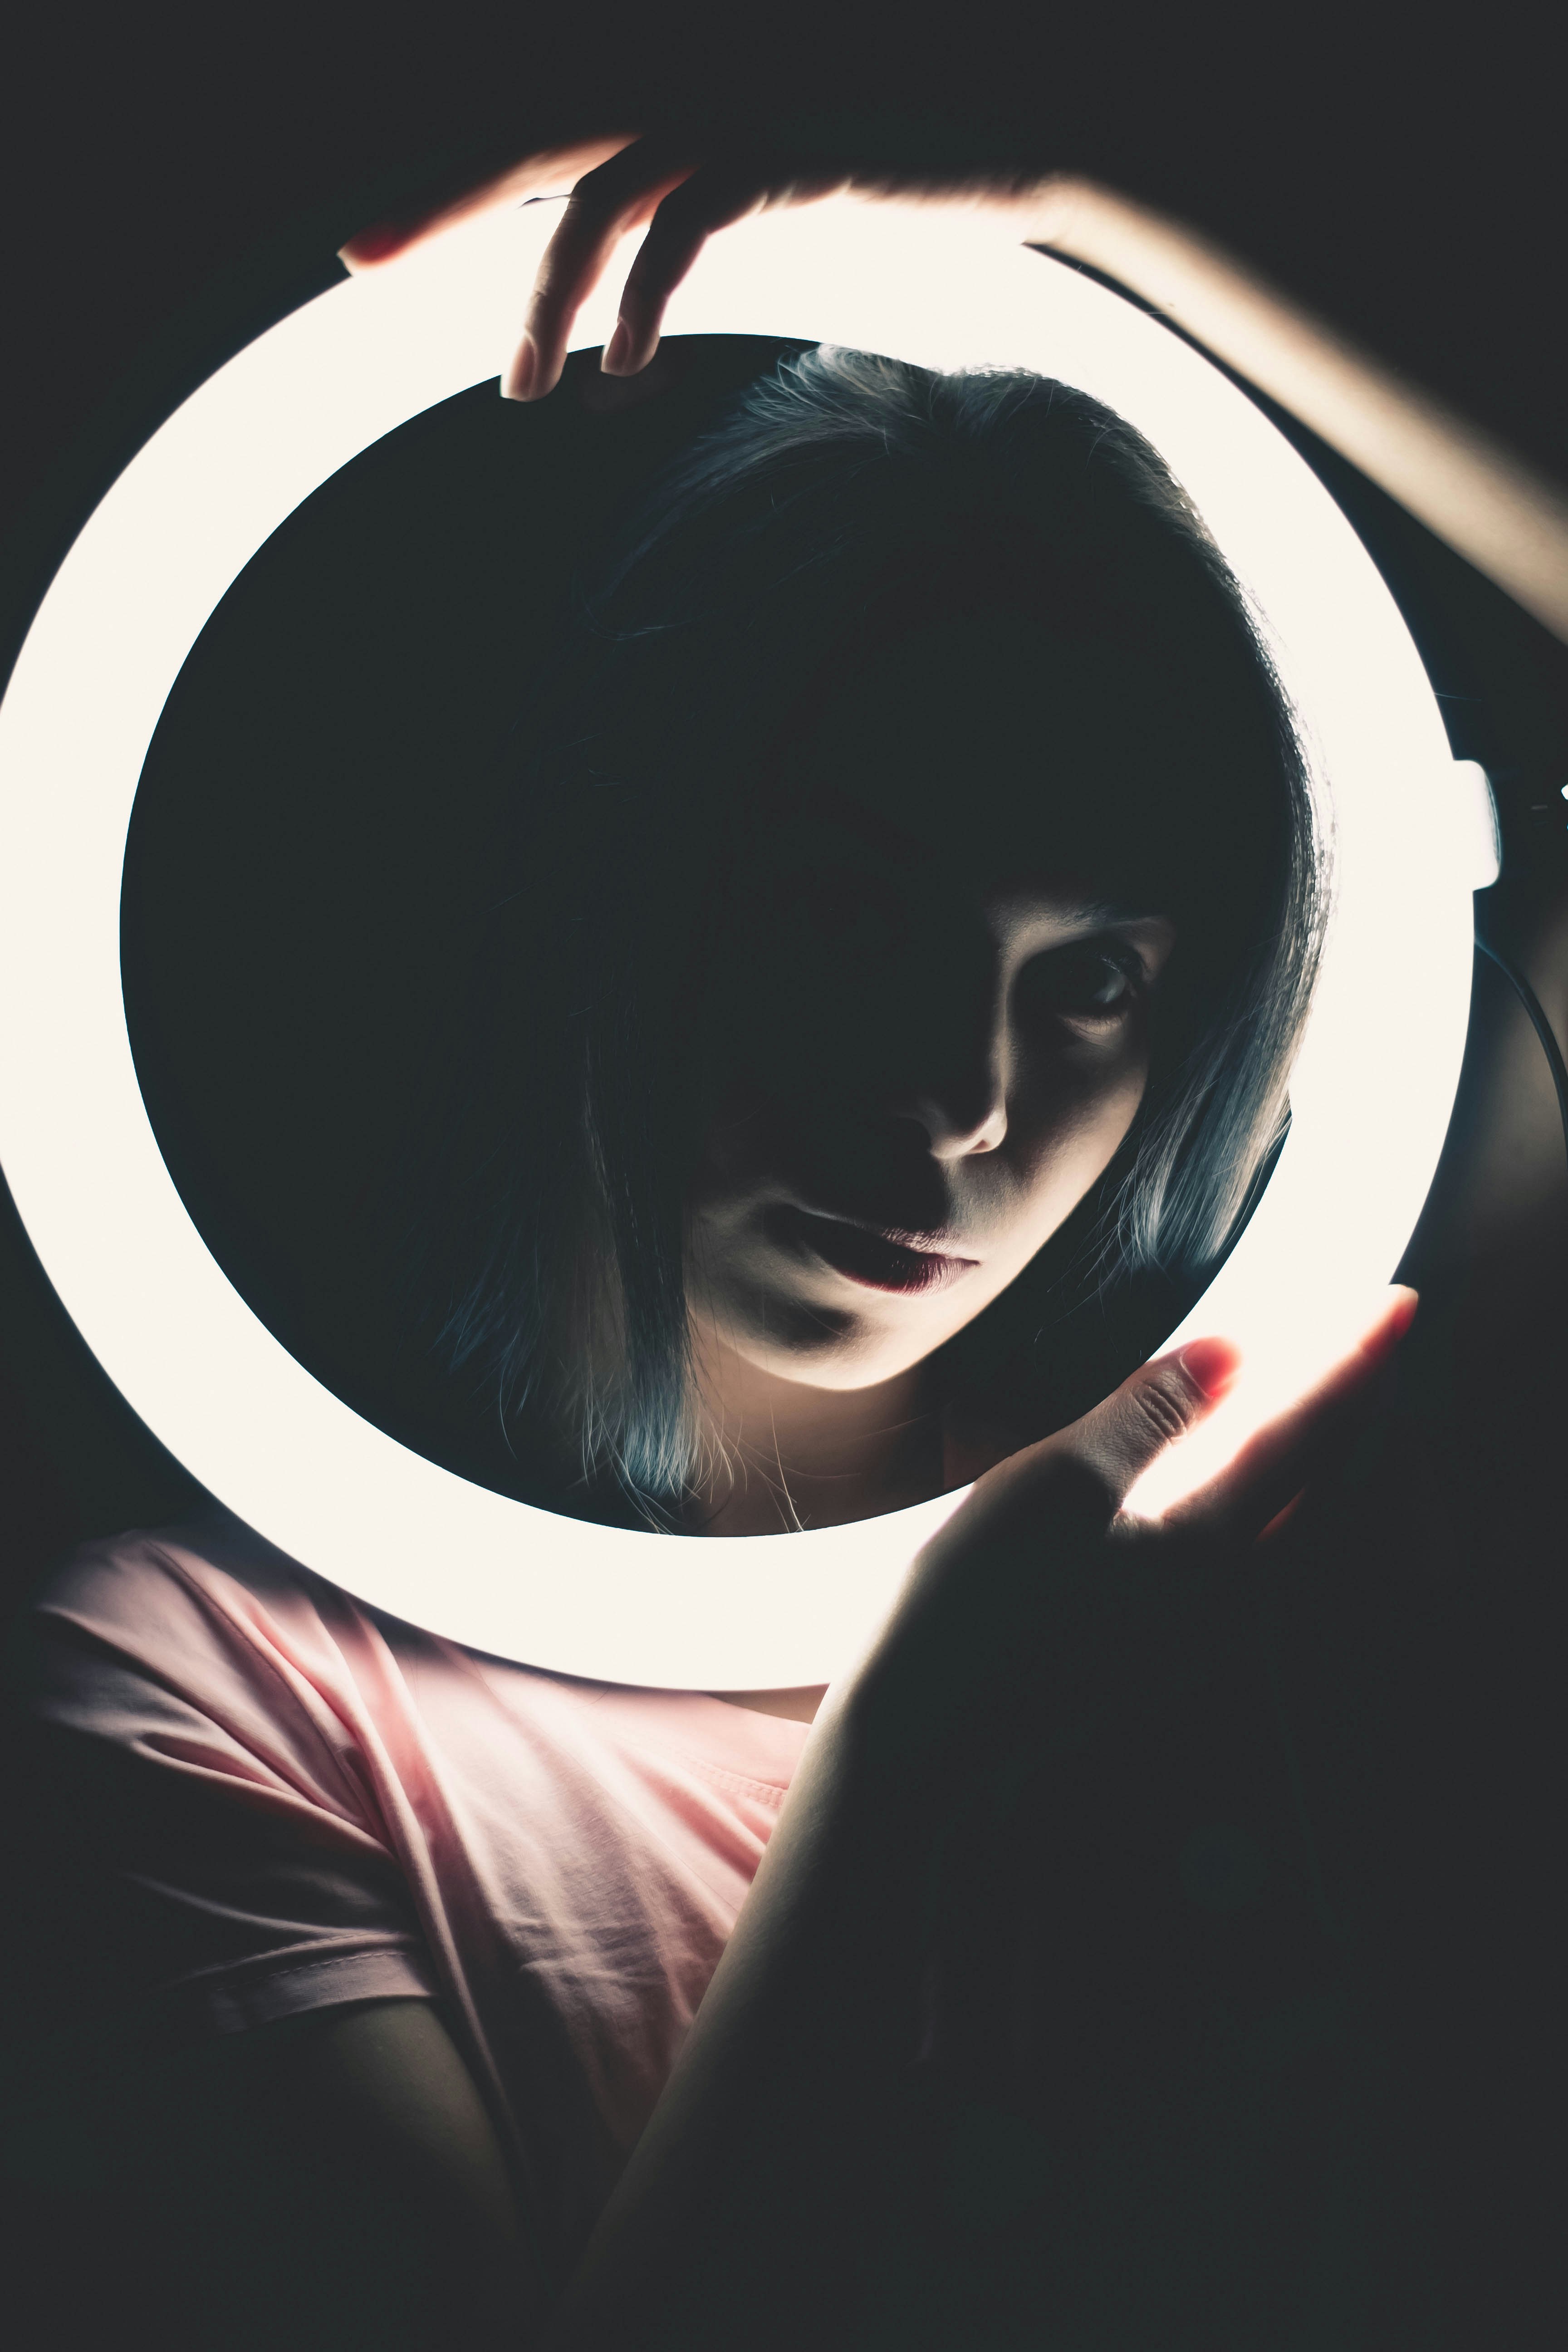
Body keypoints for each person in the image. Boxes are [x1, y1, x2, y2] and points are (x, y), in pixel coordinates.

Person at [2, 178, 1420, 2352]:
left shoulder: (1261, 1512)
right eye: (856, 918)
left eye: (1101, 980)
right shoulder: (212, 1700)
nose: (961, 1103)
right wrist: (913, 1755)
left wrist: (1080, 187)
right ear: (637, 904)